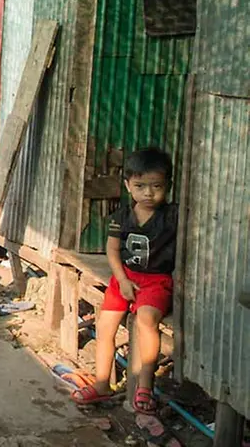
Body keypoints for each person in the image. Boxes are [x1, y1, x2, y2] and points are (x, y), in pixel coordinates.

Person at [71, 147, 177, 415]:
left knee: (146, 321)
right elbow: (112, 250)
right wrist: (122, 280)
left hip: (156, 281)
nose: (148, 193)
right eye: (140, 186)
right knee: (104, 326)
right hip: (124, 277)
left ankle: (145, 386)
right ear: (128, 185)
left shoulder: (172, 216)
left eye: (156, 186)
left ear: (168, 186)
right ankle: (102, 383)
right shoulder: (122, 216)